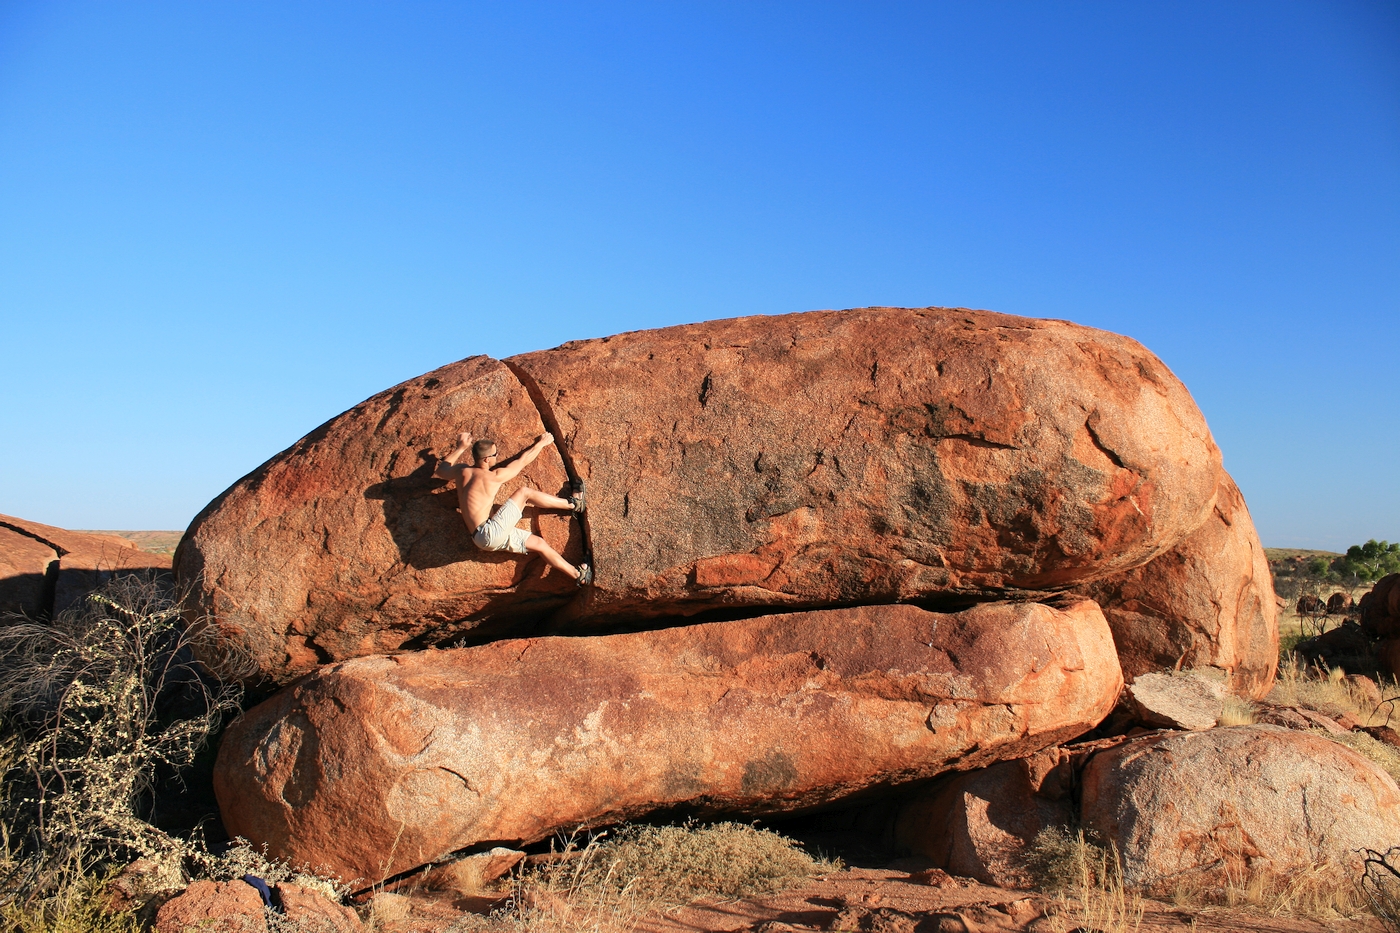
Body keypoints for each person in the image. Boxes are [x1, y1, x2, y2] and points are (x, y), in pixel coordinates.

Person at [434, 431, 593, 585]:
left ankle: (579, 575)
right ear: (486, 460)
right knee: (524, 493)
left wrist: (460, 447)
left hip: (480, 539)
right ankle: (573, 504)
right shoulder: (492, 477)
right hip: (490, 531)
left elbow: (441, 470)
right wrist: (541, 443)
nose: (497, 457)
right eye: (495, 455)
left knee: (539, 544)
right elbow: (522, 461)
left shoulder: (461, 471)